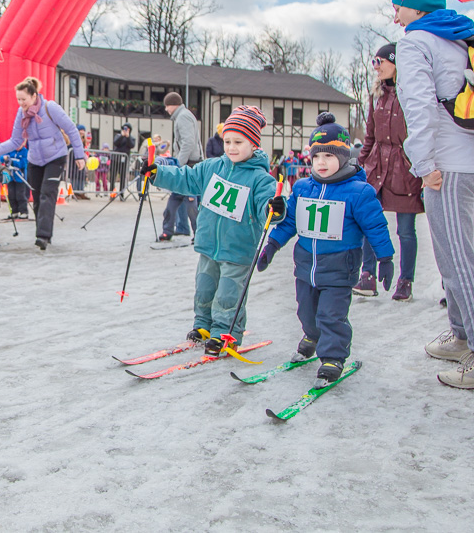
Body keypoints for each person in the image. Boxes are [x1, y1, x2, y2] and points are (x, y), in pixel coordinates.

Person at [258, 113, 394, 385]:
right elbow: (291, 222)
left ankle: (333, 357)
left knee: (331, 315)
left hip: (339, 268)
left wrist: (385, 257)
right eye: (317, 157)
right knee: (306, 311)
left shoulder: (358, 191)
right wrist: (272, 244)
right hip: (306, 267)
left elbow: (376, 227)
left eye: (329, 157)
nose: (321, 163)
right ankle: (311, 334)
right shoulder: (303, 187)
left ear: (343, 158)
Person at [139, 106, 282, 355]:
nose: (231, 147)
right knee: (204, 288)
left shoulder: (261, 179)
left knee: (229, 294)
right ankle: (203, 324)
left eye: (239, 141)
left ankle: (225, 332)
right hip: (208, 245)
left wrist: (274, 209)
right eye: (227, 141)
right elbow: (185, 178)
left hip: (238, 250)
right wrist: (157, 173)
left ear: (254, 145)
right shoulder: (212, 167)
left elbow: (266, 207)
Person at [390, 0, 474, 388]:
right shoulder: (460, 36)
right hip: (467, 161)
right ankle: (462, 335)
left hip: (448, 167)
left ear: (416, 6)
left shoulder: (415, 43)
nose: (396, 17)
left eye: (398, 7)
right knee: (454, 257)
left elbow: (419, 107)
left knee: (460, 260)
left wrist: (422, 164)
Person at [354, 43, 423, 301]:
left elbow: (419, 132)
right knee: (370, 222)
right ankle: (368, 275)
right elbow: (370, 136)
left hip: (404, 169)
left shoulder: (410, 94)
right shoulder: (376, 96)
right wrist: (359, 164)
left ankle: (406, 280)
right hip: (376, 168)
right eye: (374, 62)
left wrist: (419, 163)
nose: (376, 66)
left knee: (405, 229)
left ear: (396, 63)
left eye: (380, 61)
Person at [0, 76, 85, 250]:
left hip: (56, 156)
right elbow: (15, 141)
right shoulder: (21, 114)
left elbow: (71, 129)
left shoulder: (50, 107)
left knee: (47, 195)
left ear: (34, 96)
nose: (21, 103)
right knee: (36, 199)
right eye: (18, 100)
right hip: (35, 159)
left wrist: (79, 155)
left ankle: (43, 236)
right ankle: (43, 232)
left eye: (23, 99)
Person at [159, 92, 203, 241]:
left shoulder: (183, 116)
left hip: (189, 165)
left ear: (173, 104)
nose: (166, 109)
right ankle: (174, 229)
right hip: (189, 163)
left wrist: (179, 163)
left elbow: (188, 142)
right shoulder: (184, 115)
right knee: (175, 197)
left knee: (191, 202)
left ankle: (198, 234)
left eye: (167, 106)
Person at [3, 146, 29, 219]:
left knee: (20, 195)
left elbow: (22, 163)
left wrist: (11, 160)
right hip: (11, 177)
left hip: (20, 177)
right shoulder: (10, 150)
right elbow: (2, 158)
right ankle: (14, 211)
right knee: (11, 195)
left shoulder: (24, 151)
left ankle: (23, 211)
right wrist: (5, 158)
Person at [111, 123, 135, 199]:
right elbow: (116, 143)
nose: (125, 130)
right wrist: (122, 136)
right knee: (113, 176)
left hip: (124, 160)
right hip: (115, 159)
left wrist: (127, 137)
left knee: (122, 177)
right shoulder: (118, 136)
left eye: (127, 129)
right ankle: (112, 193)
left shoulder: (131, 138)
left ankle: (121, 194)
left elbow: (131, 145)